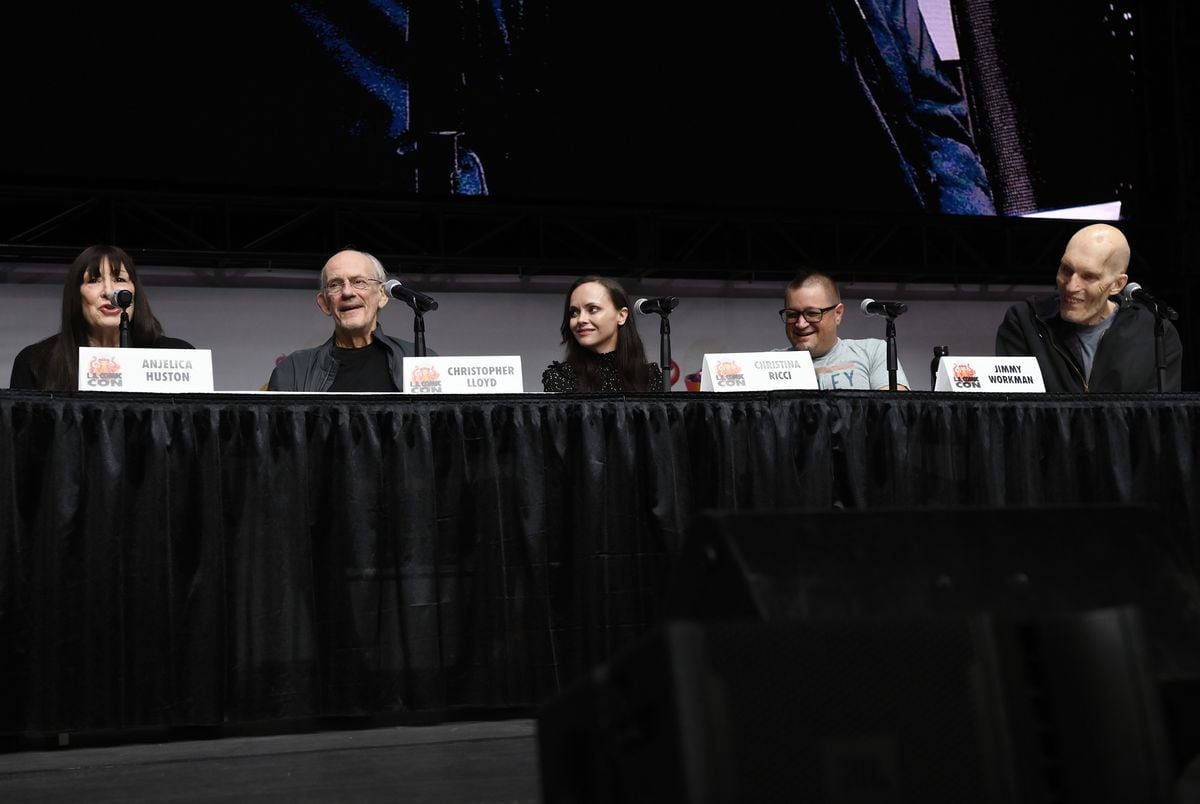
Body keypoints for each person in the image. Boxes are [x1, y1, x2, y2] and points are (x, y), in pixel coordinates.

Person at [995, 223, 1182, 392]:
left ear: (1117, 284)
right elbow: (1016, 414)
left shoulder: (1154, 332)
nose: (1071, 286)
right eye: (1066, 270)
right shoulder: (1025, 321)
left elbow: (1158, 421)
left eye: (1089, 277)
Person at [9, 244, 193, 390]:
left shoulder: (179, 356)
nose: (109, 292)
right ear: (77, 295)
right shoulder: (35, 362)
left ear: (134, 292)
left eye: (119, 279)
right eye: (94, 280)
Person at [269, 249, 423, 392]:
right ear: (324, 304)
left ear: (382, 295)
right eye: (335, 284)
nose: (347, 292)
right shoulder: (293, 370)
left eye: (359, 282)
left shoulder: (421, 362)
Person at [778, 271, 909, 390]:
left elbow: (895, 411)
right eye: (792, 314)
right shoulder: (769, 363)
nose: (801, 324)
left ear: (838, 314)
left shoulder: (873, 352)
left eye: (812, 313)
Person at [542, 276, 664, 392]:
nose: (580, 319)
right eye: (574, 312)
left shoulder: (648, 376)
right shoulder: (560, 376)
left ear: (621, 316)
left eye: (592, 309)